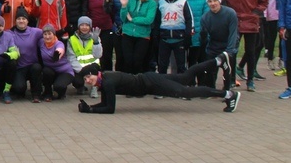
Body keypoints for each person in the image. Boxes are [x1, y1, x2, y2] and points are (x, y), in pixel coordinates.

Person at [78, 56, 241, 114]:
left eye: (88, 77)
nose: (87, 81)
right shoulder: (105, 79)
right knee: (184, 78)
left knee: (185, 91)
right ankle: (218, 60)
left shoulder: (108, 82)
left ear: (94, 74)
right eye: (85, 80)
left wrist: (91, 110)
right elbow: (105, 104)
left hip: (151, 83)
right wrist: (91, 107)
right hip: (149, 79)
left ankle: (228, 95)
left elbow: (110, 109)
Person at [222, 0, 268, 91]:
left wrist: (256, 13)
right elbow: (222, 0)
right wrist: (228, 13)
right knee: (232, 52)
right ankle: (231, 79)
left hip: (251, 23)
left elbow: (264, 1)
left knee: (250, 51)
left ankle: (250, 80)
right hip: (234, 23)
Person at [199, 0, 239, 89]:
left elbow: (233, 33)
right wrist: (203, 36)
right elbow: (204, 40)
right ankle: (211, 89)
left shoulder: (230, 13)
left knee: (227, 71)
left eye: (215, 1)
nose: (213, 4)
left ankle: (227, 90)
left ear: (219, 1)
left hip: (228, 45)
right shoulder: (205, 17)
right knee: (210, 71)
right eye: (210, 1)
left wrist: (229, 51)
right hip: (214, 46)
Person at [118, 0, 157, 73]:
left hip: (142, 35)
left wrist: (133, 19)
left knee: (137, 62)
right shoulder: (130, 0)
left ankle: (138, 83)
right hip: (127, 34)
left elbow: (149, 20)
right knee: (128, 61)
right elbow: (123, 18)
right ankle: (128, 83)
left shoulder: (152, 3)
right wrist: (123, 6)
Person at [156, 0, 193, 75]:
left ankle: (181, 85)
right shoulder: (161, 2)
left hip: (179, 38)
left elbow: (189, 19)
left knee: (181, 65)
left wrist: (188, 36)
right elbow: (157, 21)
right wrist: (157, 36)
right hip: (164, 38)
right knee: (162, 65)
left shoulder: (183, 1)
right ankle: (162, 85)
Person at [7, 8, 43, 103]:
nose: (21, 21)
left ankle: (36, 94)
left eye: (23, 19)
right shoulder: (10, 34)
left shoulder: (36, 32)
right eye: (19, 19)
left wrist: (63, 31)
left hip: (32, 66)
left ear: (27, 21)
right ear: (15, 21)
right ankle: (19, 90)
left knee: (37, 68)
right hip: (20, 67)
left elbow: (50, 34)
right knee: (19, 88)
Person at [66, 16, 103, 98]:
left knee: (94, 68)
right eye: (82, 25)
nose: (84, 27)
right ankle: (80, 87)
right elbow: (71, 57)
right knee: (77, 81)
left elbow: (98, 55)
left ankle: (94, 87)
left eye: (87, 25)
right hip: (79, 68)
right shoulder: (72, 39)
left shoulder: (95, 37)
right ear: (78, 26)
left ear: (90, 27)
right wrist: (80, 70)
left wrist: (96, 42)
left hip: (93, 67)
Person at [39, 24, 78, 101]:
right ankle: (48, 93)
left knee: (59, 86)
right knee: (45, 71)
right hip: (51, 71)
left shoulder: (59, 43)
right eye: (45, 34)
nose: (47, 37)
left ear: (54, 34)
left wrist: (57, 54)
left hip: (65, 71)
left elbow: (60, 49)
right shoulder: (41, 43)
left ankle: (61, 92)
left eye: (49, 34)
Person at [86, 0, 115, 71]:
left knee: (106, 55)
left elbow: (110, 10)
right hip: (93, 29)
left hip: (106, 27)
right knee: (95, 55)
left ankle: (108, 76)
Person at [180, 0, 208, 67]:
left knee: (198, 62)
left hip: (198, 34)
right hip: (183, 33)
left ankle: (201, 81)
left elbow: (206, 16)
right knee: (183, 63)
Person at [263, 0, 283, 70]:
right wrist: (265, 14)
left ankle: (281, 58)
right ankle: (270, 58)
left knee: (283, 39)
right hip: (272, 16)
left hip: (282, 16)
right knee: (271, 38)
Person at [278, 0, 291, 99]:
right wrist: (281, 25)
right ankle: (290, 87)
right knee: (289, 58)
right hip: (289, 25)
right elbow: (281, 5)